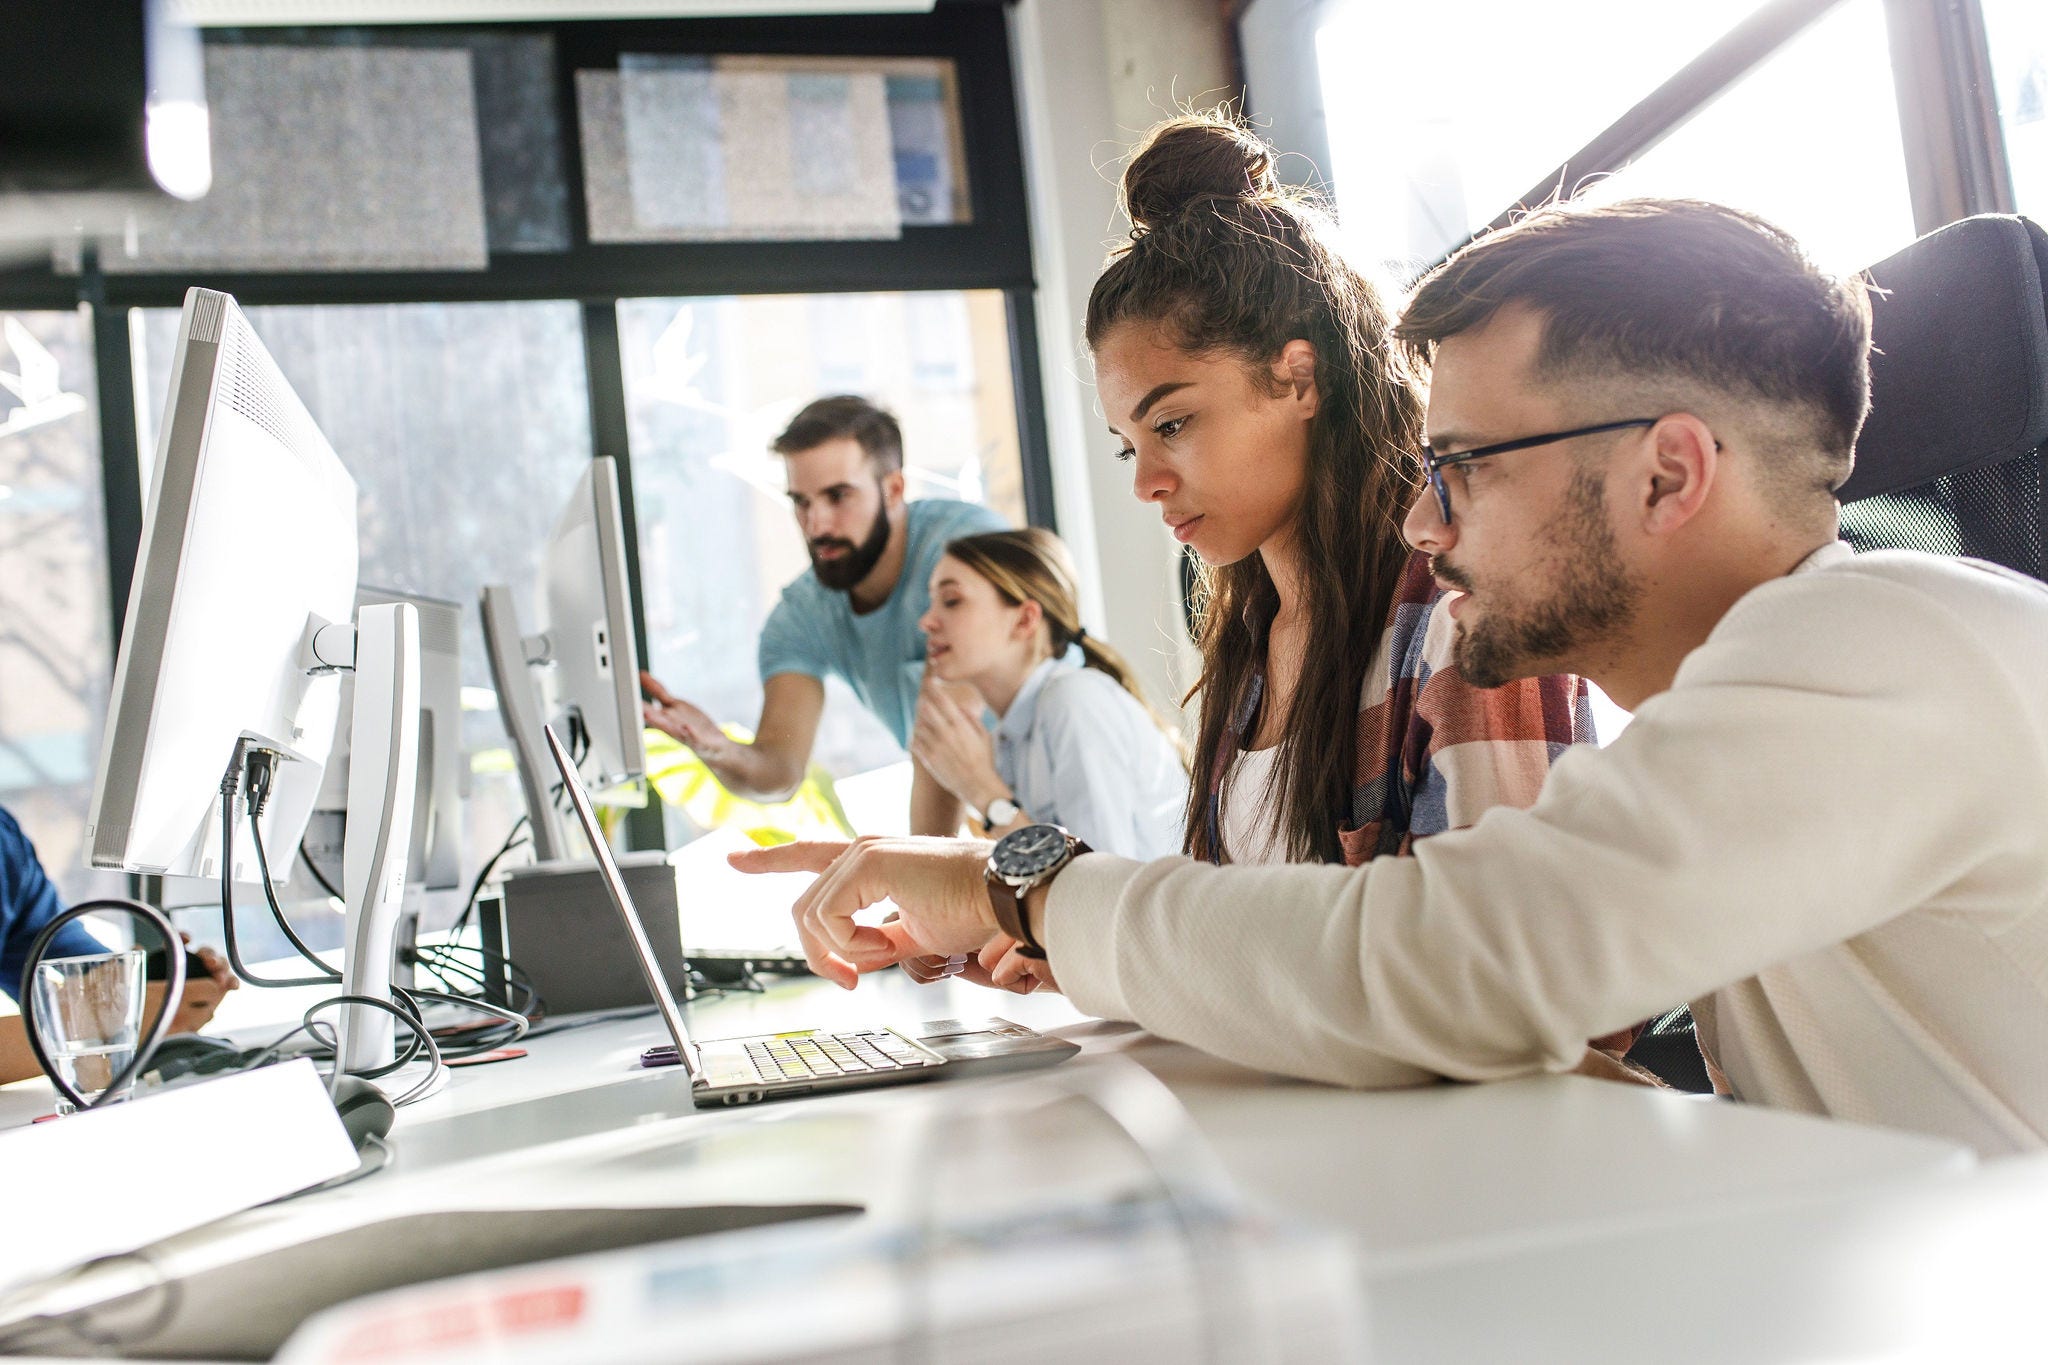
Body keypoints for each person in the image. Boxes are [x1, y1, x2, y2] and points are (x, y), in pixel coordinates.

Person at [737, 197, 2048, 1157]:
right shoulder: (1759, 707)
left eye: (1463, 468)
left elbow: (1451, 963)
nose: (1424, 526)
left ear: (1669, 472)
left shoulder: (1874, 645)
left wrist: (1016, 887)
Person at [1084, 113, 1590, 869]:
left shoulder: (1462, 613)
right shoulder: (1253, 630)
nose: (1145, 483)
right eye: (1131, 445)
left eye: (1174, 423)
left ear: (1299, 377)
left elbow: (1500, 964)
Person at [640, 395, 1006, 836]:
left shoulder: (966, 552)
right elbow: (779, 772)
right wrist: (718, 749)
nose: (817, 525)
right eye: (802, 502)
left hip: (1070, 786)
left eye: (838, 496)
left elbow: (945, 735)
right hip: (1001, 824)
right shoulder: (803, 614)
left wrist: (924, 890)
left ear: (893, 489)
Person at [909, 528, 1185, 860]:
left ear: (1025, 620)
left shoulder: (1075, 701)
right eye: (932, 602)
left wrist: (983, 791)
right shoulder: (1008, 741)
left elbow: (1100, 888)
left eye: (952, 600)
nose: (926, 621)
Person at [0, 807, 236, 1085]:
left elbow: (59, 948)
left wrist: (159, 984)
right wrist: (90, 1020)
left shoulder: (5, 841)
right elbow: (99, 1009)